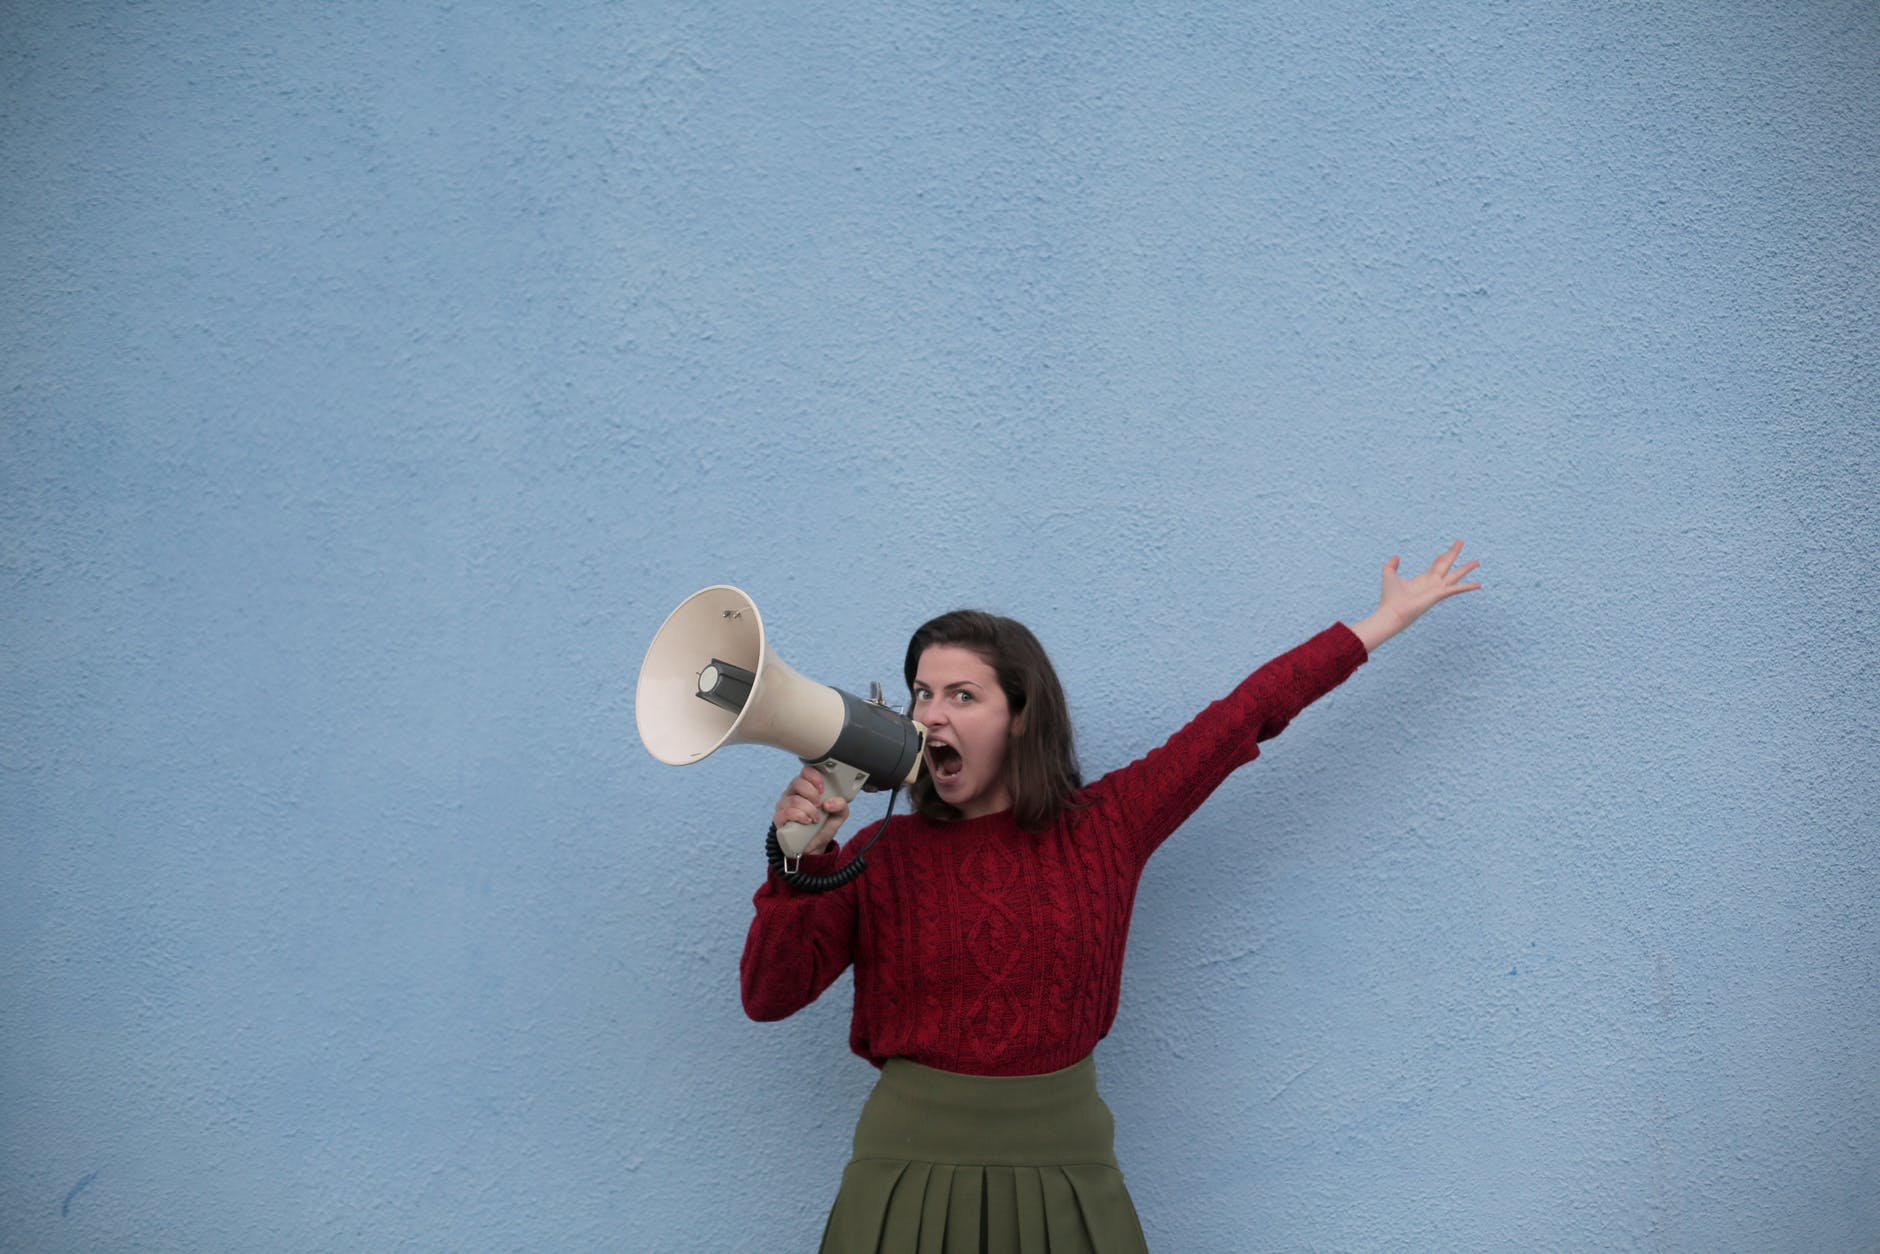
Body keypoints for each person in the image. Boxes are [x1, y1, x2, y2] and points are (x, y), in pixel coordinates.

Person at [741, 541, 1483, 1253]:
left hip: (1065, 1168)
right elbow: (769, 997)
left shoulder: (1105, 828)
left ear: (1021, 714)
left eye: (962, 695)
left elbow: (1243, 716)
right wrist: (798, 864)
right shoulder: (875, 855)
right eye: (922, 694)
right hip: (903, 1172)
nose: (931, 714)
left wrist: (1380, 623)